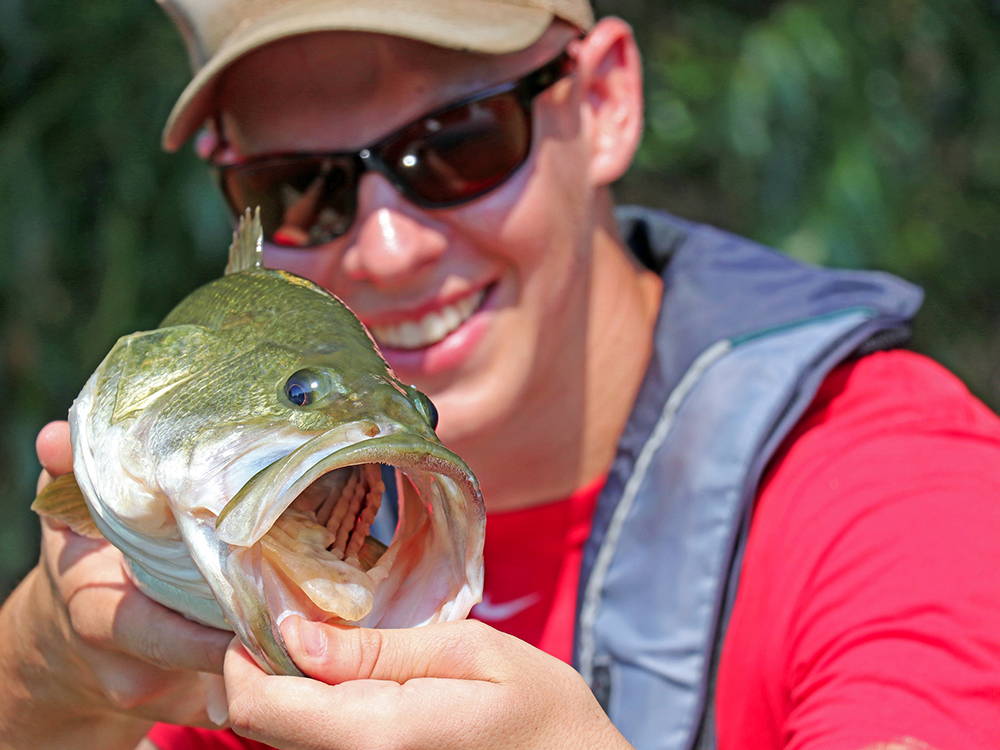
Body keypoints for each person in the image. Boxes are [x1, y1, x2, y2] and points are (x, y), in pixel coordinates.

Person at [3, 1, 1000, 748]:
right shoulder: (241, 536)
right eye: (300, 187)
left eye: (459, 144)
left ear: (604, 100)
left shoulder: (900, 493)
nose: (388, 249)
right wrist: (56, 664)